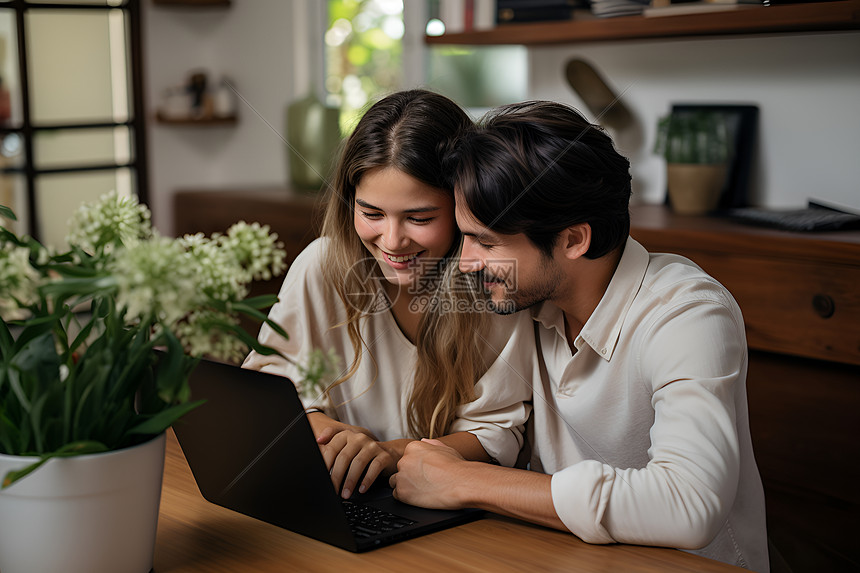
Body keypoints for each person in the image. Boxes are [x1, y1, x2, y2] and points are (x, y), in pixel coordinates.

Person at [389, 101, 769, 572]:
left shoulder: (687, 313)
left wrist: (467, 482)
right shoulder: (527, 298)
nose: (466, 262)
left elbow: (688, 504)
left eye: (487, 242)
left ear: (573, 240)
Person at [243, 90, 532, 501]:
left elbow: (495, 433)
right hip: (339, 494)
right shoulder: (322, 265)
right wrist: (333, 437)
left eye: (419, 218)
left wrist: (385, 454)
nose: (393, 241)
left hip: (452, 509)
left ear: (463, 206)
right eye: (371, 213)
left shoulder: (494, 283)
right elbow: (269, 389)